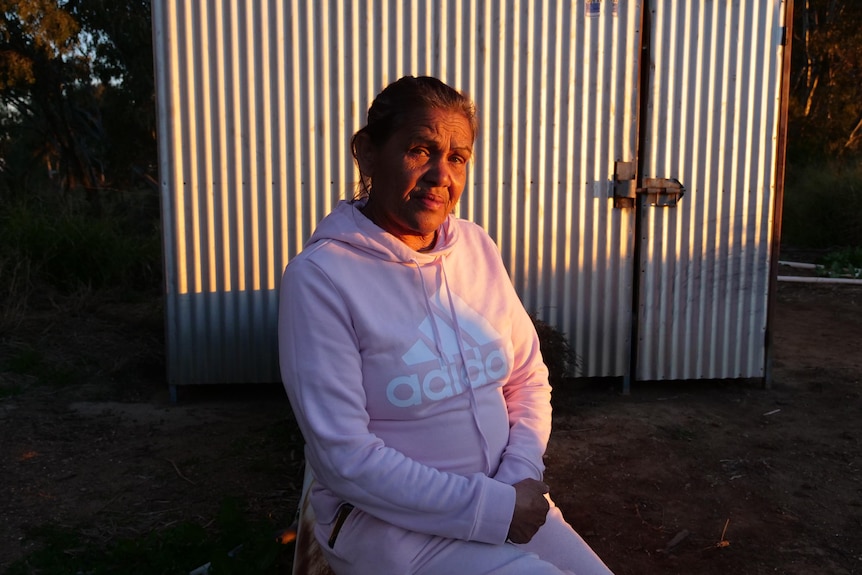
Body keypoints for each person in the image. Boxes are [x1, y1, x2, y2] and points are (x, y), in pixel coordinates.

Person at [278, 75, 613, 575]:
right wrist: (493, 509)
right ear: (367, 154)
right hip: (394, 534)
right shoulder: (322, 278)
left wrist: (519, 478)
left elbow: (527, 377)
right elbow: (344, 457)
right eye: (420, 149)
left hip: (505, 501)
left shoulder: (475, 247)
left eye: (457, 157)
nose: (442, 175)